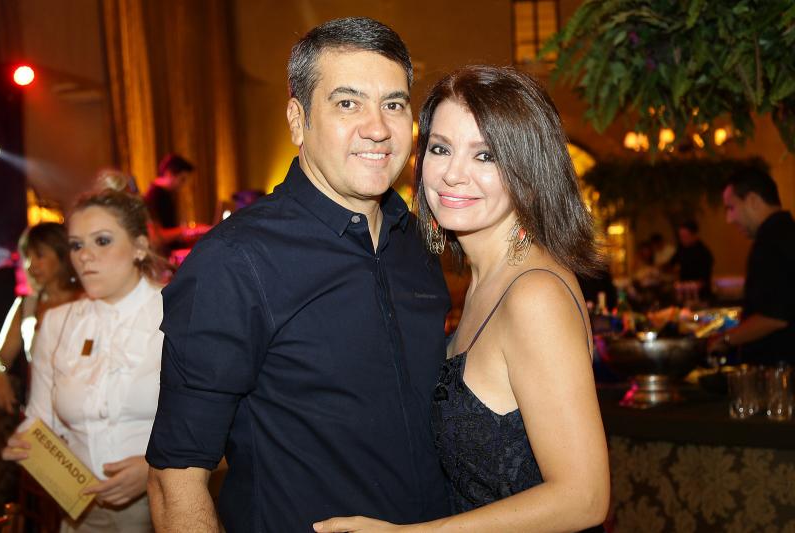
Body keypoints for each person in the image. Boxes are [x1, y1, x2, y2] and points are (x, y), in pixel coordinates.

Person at [145, 17, 451, 532]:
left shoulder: (417, 244)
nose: (378, 128)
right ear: (297, 119)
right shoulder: (234, 262)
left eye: (394, 104)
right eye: (347, 103)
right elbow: (175, 480)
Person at [316, 66, 610, 532]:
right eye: (440, 148)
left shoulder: (534, 295)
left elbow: (585, 498)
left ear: (528, 170)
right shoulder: (486, 281)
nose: (453, 174)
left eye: (485, 155)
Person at [1, 180, 167, 532]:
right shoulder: (57, 322)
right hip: (82, 512)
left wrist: (155, 467)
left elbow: (220, 425)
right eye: (76, 245)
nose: (84, 256)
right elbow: (41, 417)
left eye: (102, 241)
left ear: (140, 247)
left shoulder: (178, 313)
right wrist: (26, 442)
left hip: (164, 506)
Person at [0, 223, 81, 517]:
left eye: (40, 255)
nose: (31, 265)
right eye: (27, 257)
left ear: (62, 255)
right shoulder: (27, 305)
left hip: (82, 421)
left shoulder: (88, 300)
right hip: (40, 422)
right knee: (46, 511)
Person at [708, 168, 795, 366]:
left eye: (731, 208)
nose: (729, 219)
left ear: (753, 201)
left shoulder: (770, 241)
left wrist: (724, 340)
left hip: (778, 370)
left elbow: (774, 316)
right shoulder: (786, 232)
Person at [144, 153, 205, 254]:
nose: (183, 185)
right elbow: (156, 237)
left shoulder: (166, 195)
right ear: (169, 173)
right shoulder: (153, 196)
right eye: (182, 179)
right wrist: (188, 230)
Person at [667, 220, 714, 301]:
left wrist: (693, 285)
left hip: (701, 295)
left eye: (685, 236)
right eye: (680, 236)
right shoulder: (681, 248)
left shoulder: (703, 252)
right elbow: (671, 263)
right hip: (684, 293)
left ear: (694, 235)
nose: (682, 239)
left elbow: (704, 279)